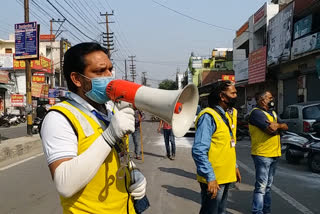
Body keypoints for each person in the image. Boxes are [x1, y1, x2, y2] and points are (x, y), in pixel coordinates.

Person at [40, 43, 147, 214]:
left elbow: (118, 155)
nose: (109, 76)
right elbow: (64, 184)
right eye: (99, 71)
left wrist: (134, 172)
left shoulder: (110, 109)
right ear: (77, 79)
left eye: (110, 69)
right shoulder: (59, 118)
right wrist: (109, 136)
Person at [192, 80, 241, 214]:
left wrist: (234, 166)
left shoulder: (226, 115)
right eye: (233, 93)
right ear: (222, 96)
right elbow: (199, 150)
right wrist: (210, 177)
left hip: (224, 176)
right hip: (214, 179)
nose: (236, 95)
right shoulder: (209, 116)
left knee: (220, 211)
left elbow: (226, 145)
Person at [248, 91, 288, 214]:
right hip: (262, 154)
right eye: (270, 98)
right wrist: (277, 127)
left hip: (274, 153)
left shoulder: (273, 113)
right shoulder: (256, 113)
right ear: (262, 100)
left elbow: (286, 126)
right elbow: (270, 130)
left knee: (268, 186)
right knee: (261, 187)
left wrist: (279, 126)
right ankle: (257, 211)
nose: (272, 100)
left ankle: (266, 210)